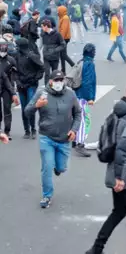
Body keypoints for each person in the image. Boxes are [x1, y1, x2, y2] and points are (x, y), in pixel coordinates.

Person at [86, 81, 126, 254]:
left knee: (119, 211)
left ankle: (96, 248)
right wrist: (120, 177)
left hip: (117, 168)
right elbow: (124, 146)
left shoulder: (118, 112)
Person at [24, 70, 81, 208]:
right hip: (46, 137)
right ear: (50, 81)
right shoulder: (42, 94)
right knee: (47, 166)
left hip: (64, 138)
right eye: (56, 80)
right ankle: (47, 196)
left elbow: (78, 113)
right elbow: (27, 111)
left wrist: (74, 130)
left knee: (61, 167)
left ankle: (59, 168)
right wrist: (36, 106)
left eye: (61, 80)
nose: (59, 83)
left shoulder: (70, 94)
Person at [14, 37, 43, 139]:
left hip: (31, 85)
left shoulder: (32, 56)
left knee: (30, 108)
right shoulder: (16, 56)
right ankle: (26, 130)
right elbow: (14, 71)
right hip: (21, 86)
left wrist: (35, 79)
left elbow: (41, 68)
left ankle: (33, 129)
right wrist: (17, 81)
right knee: (23, 109)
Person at [73, 43, 97, 158]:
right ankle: (80, 143)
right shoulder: (89, 64)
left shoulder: (80, 61)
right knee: (84, 120)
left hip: (76, 94)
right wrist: (90, 98)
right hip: (82, 95)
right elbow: (88, 82)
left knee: (77, 117)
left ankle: (75, 139)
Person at [0, 40, 18, 139]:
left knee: (7, 108)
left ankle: (7, 130)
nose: (2, 52)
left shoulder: (11, 60)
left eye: (4, 50)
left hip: (8, 86)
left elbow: (16, 72)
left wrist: (14, 82)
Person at [57, 5, 75, 73]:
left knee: (63, 54)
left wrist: (60, 39)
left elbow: (63, 30)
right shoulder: (62, 17)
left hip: (64, 38)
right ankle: (63, 70)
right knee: (62, 54)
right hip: (63, 38)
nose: (57, 12)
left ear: (61, 11)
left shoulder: (65, 18)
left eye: (58, 11)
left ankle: (74, 65)